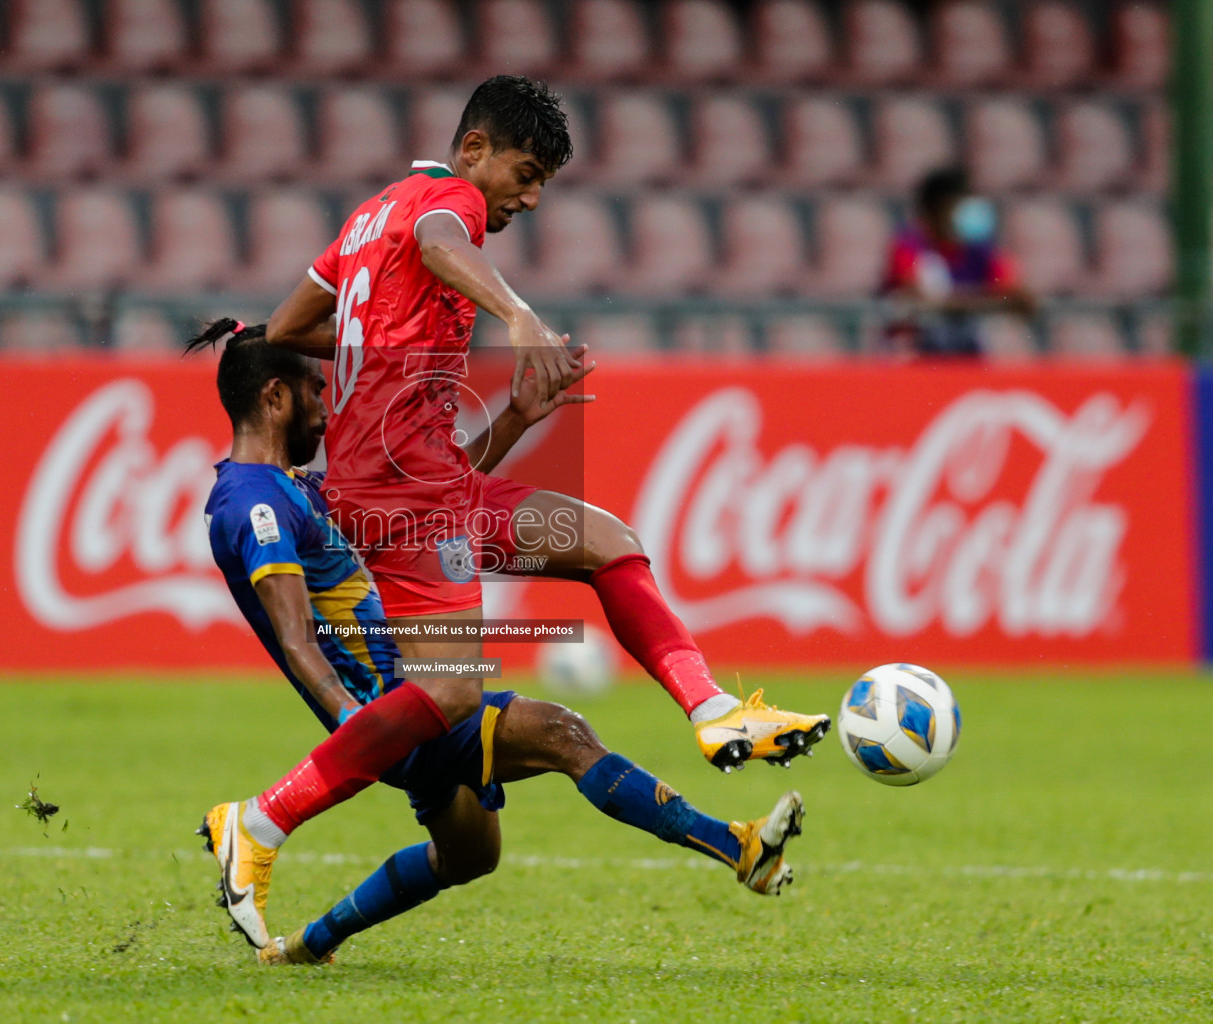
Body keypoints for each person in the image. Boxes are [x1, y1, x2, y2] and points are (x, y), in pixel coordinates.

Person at [193, 76, 829, 938]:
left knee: (608, 543)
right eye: (525, 175)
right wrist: (517, 315)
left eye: (543, 186)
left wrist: (393, 345)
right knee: (452, 688)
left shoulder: (363, 220)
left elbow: (285, 323)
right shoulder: (441, 202)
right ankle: (262, 821)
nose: (529, 198)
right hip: (400, 493)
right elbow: (439, 231)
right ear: (474, 150)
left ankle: (715, 713)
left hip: (431, 484)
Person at [189, 320, 806, 961]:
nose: (326, 408)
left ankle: (305, 947)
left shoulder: (301, 489)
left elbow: (436, 501)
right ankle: (740, 848)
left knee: (471, 854)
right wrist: (359, 731)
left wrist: (514, 417)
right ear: (275, 397)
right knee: (563, 735)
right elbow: (296, 639)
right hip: (401, 705)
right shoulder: (252, 502)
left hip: (406, 701)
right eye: (316, 391)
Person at [882, 166, 1038, 357]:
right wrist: (989, 301)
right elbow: (917, 300)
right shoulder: (909, 247)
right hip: (919, 360)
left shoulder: (982, 249)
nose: (970, 210)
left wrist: (952, 302)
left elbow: (1019, 298)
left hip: (971, 358)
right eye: (960, 203)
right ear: (935, 209)